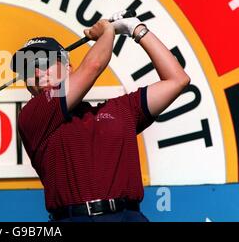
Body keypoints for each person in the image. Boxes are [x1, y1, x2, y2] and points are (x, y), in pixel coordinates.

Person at [10, 14, 190, 222]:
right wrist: (107, 31)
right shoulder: (33, 115)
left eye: (44, 62)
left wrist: (136, 29)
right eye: (28, 68)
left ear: (68, 68)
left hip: (129, 217)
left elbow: (177, 80)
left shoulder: (120, 110)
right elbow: (93, 65)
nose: (38, 72)